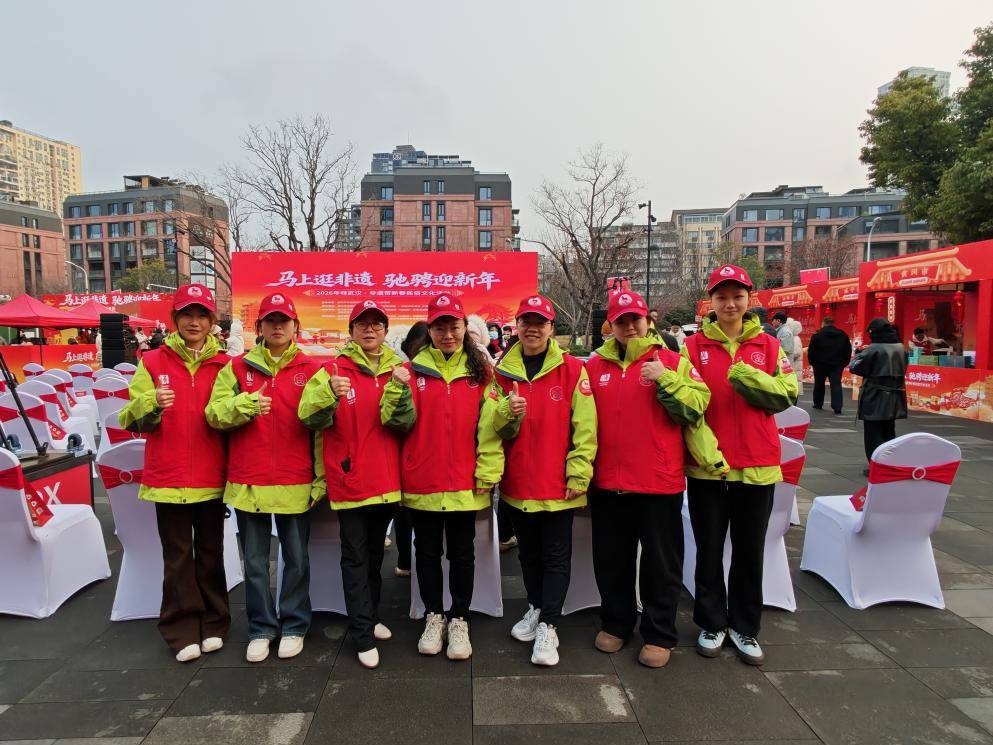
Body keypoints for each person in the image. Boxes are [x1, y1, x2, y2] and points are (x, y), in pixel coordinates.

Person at [585, 289, 710, 669]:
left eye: (635, 320)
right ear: (611, 326)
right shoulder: (594, 367)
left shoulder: (672, 361)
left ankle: (659, 632)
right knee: (612, 560)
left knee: (661, 563)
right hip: (608, 483)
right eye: (621, 321)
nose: (629, 327)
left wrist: (665, 379)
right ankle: (617, 622)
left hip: (659, 482)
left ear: (648, 320)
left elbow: (698, 404)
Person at [682, 265, 798, 667]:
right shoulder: (692, 347)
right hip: (708, 470)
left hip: (757, 465)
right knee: (709, 550)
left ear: (750, 299)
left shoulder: (769, 346)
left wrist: (748, 375)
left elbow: (787, 393)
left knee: (750, 552)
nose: (729, 304)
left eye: (737, 296)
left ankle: (745, 627)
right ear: (710, 302)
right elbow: (688, 407)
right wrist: (706, 454)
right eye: (721, 297)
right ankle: (711, 622)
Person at [381, 293, 503, 661]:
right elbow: (393, 421)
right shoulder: (412, 371)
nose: (447, 334)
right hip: (424, 479)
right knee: (427, 552)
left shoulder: (482, 373)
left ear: (465, 328)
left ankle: (460, 618)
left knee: (463, 553)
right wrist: (396, 388)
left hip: (466, 480)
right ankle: (434, 615)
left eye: (454, 326)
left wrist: (488, 471)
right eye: (440, 327)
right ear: (430, 330)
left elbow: (490, 429)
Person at [118, 284, 231, 663]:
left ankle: (215, 621)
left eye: (201, 315)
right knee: (178, 556)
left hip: (213, 475)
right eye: (186, 315)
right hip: (168, 476)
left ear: (212, 322)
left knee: (211, 553)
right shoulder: (152, 362)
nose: (194, 322)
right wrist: (151, 402)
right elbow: (129, 417)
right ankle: (181, 628)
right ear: (175, 320)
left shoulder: (226, 364)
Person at [204, 293, 318, 663]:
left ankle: (295, 624)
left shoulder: (312, 369)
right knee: (254, 562)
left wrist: (320, 478)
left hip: (295, 478)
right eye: (271, 320)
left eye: (284, 320)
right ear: (260, 327)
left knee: (297, 559)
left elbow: (322, 430)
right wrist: (246, 404)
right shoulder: (237, 368)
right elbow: (214, 414)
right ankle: (261, 627)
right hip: (248, 480)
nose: (278, 326)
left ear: (295, 326)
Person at [298, 299, 405, 669]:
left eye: (376, 323)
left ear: (385, 331)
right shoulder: (331, 369)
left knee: (375, 556)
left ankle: (371, 617)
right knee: (355, 558)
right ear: (351, 331)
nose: (370, 329)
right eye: (362, 323)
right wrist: (329, 391)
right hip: (350, 480)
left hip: (387, 480)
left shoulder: (398, 370)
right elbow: (307, 414)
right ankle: (361, 633)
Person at [491, 294, 597, 666]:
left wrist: (579, 472)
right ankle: (536, 607)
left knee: (555, 556)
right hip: (518, 482)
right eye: (526, 322)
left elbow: (586, 428)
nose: (532, 329)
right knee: (529, 555)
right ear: (517, 326)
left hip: (558, 484)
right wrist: (506, 412)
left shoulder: (572, 370)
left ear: (551, 328)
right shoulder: (502, 372)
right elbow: (491, 427)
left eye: (540, 322)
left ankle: (550, 625)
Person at [391, 322, 431, 577]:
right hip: (401, 451)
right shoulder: (400, 371)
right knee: (403, 512)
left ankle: (407, 560)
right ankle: (405, 559)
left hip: (419, 452)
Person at [851, 318, 907, 474]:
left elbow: (856, 367)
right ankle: (889, 464)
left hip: (874, 396)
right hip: (895, 396)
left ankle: (876, 466)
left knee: (873, 434)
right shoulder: (901, 348)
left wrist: (858, 355)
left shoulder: (873, 349)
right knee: (889, 431)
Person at [808, 317, 852, 414]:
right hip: (836, 365)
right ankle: (837, 406)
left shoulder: (817, 336)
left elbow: (811, 351)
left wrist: (812, 362)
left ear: (823, 323)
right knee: (836, 384)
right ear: (833, 324)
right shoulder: (842, 335)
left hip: (819, 364)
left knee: (819, 384)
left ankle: (818, 403)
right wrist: (844, 362)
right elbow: (848, 350)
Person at [785, 316, 804, 395]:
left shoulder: (794, 338)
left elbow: (796, 353)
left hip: (794, 365)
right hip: (795, 365)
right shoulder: (795, 338)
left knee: (794, 382)